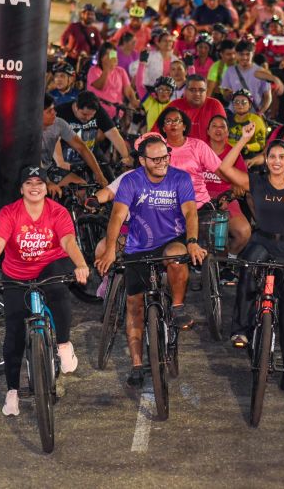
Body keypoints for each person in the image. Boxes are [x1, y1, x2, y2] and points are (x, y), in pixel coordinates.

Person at [0, 166, 89, 416]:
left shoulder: (57, 212)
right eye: (29, 183)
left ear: (47, 187)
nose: (35, 187)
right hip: (16, 274)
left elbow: (68, 241)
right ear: (21, 189)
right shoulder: (9, 213)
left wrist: (80, 264)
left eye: (40, 182)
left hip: (51, 265)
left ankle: (63, 344)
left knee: (58, 292)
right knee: (14, 334)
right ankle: (13, 391)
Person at [95, 132, 206, 388]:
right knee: (135, 306)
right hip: (138, 246)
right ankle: (136, 364)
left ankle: (177, 306)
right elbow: (117, 215)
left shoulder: (180, 178)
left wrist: (192, 241)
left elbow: (190, 211)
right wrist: (111, 249)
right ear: (142, 160)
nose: (162, 163)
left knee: (177, 258)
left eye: (165, 158)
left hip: (170, 240)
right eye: (155, 160)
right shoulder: (131, 181)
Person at [221, 129, 284, 400]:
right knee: (249, 266)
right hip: (262, 242)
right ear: (265, 159)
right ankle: (240, 329)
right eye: (271, 156)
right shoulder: (257, 182)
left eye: (281, 157)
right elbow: (225, 167)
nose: (276, 161)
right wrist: (242, 140)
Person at [203, 115, 251, 258]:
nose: (218, 130)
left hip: (226, 197)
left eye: (222, 126)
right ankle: (198, 261)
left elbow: (242, 185)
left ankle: (229, 261)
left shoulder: (233, 153)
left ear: (228, 132)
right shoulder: (199, 149)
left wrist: (229, 196)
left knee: (244, 232)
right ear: (208, 131)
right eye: (214, 126)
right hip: (200, 198)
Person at [42, 94, 108, 191]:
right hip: (30, 171)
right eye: (49, 111)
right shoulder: (27, 130)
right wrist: (47, 182)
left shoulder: (59, 123)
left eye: (53, 109)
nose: (54, 113)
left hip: (48, 169)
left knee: (81, 188)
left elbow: (81, 147)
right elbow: (32, 162)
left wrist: (99, 175)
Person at [55, 91, 133, 170]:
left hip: (91, 150)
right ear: (76, 107)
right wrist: (60, 162)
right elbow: (54, 139)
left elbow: (113, 134)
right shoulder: (61, 112)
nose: (88, 118)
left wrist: (126, 157)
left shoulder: (99, 111)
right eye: (84, 114)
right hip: (64, 153)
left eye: (91, 115)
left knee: (109, 176)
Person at [159, 74, 226, 141]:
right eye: (192, 90)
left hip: (208, 150)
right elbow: (157, 133)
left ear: (206, 91)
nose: (197, 94)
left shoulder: (215, 105)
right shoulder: (174, 106)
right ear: (185, 91)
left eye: (201, 90)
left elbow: (223, 136)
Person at [86, 42, 140, 119]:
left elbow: (128, 90)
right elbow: (100, 86)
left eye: (113, 55)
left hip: (116, 112)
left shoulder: (120, 71)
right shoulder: (94, 70)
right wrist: (107, 68)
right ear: (102, 57)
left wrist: (134, 100)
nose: (112, 58)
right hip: (98, 111)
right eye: (108, 55)